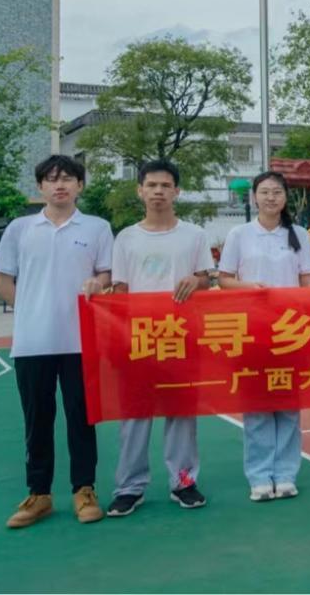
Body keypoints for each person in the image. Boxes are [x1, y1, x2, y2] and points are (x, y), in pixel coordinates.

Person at [0, 155, 112, 528]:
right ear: (40, 186)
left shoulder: (97, 228)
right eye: (52, 178)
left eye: (68, 178)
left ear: (80, 185)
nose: (60, 185)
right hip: (32, 342)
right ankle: (39, 494)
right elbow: (2, 281)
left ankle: (85, 490)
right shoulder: (20, 228)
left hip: (81, 341)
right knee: (37, 420)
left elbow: (107, 274)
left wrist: (98, 282)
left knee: (82, 418)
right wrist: (30, 311)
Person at [105, 160, 213, 517]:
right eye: (151, 185)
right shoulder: (126, 237)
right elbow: (120, 290)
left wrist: (196, 280)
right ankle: (129, 487)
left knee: (181, 413)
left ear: (177, 191)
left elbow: (206, 279)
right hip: (139, 337)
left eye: (166, 185)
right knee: (135, 415)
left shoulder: (194, 235)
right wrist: (119, 338)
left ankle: (184, 481)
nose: (158, 191)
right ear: (140, 191)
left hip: (181, 336)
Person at [218, 171, 310, 501]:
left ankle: (286, 474)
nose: (271, 197)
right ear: (254, 197)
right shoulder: (239, 234)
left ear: (286, 198)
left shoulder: (299, 234)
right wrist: (250, 287)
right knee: (257, 404)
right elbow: (224, 279)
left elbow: (308, 281)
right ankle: (260, 476)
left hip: (290, 331)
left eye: (277, 192)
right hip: (252, 330)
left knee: (288, 404)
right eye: (265, 192)